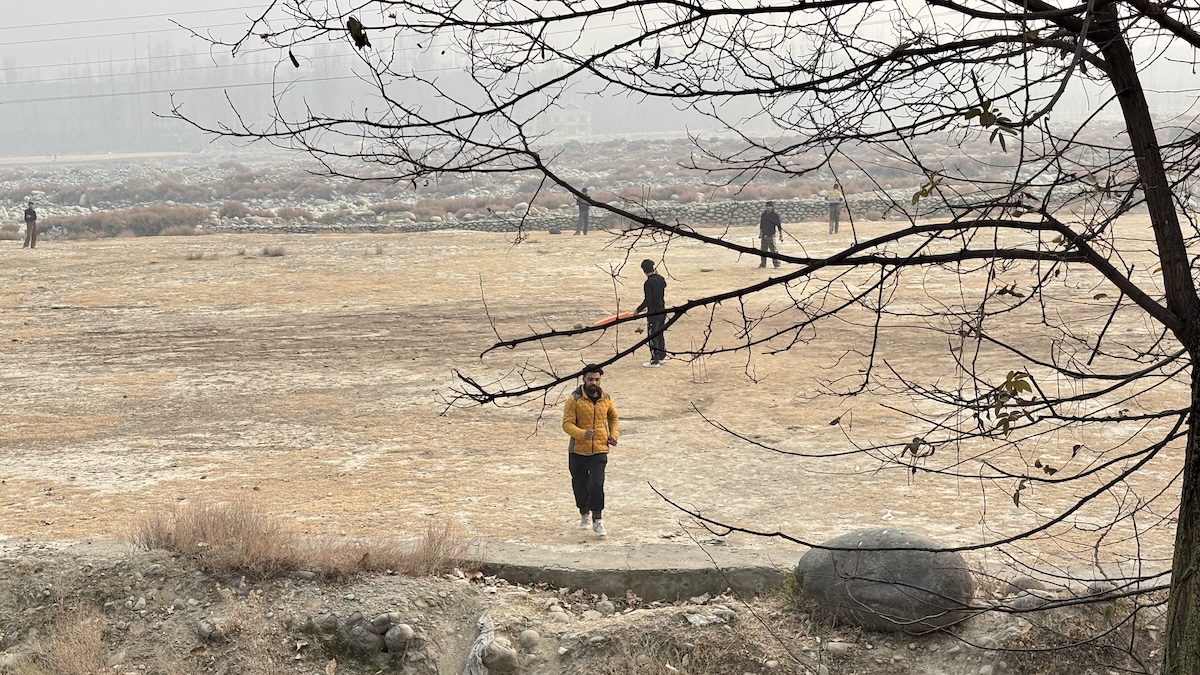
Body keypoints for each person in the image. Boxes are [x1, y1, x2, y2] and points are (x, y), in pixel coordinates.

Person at [562, 364, 619, 536]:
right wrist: (581, 434)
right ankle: (583, 513)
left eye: (597, 379)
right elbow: (566, 424)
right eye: (590, 379)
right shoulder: (574, 399)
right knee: (579, 485)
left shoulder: (606, 398)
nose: (594, 383)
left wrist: (614, 434)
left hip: (600, 449)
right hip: (578, 450)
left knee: (596, 483)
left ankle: (598, 519)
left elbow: (613, 417)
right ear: (583, 379)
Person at [636, 259, 668, 367]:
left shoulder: (648, 283)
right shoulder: (660, 279)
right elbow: (664, 285)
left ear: (644, 271)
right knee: (660, 333)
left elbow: (648, 300)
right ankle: (662, 355)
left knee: (652, 334)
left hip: (653, 312)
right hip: (662, 310)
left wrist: (638, 310)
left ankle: (655, 359)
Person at [758, 201, 782, 268]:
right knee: (763, 250)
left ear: (772, 207)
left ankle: (776, 264)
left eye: (770, 206)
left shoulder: (775, 215)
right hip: (764, 235)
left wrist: (781, 235)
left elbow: (779, 226)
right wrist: (760, 233)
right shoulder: (764, 215)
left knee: (773, 251)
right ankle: (763, 264)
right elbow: (761, 225)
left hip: (771, 235)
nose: (768, 207)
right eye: (767, 206)